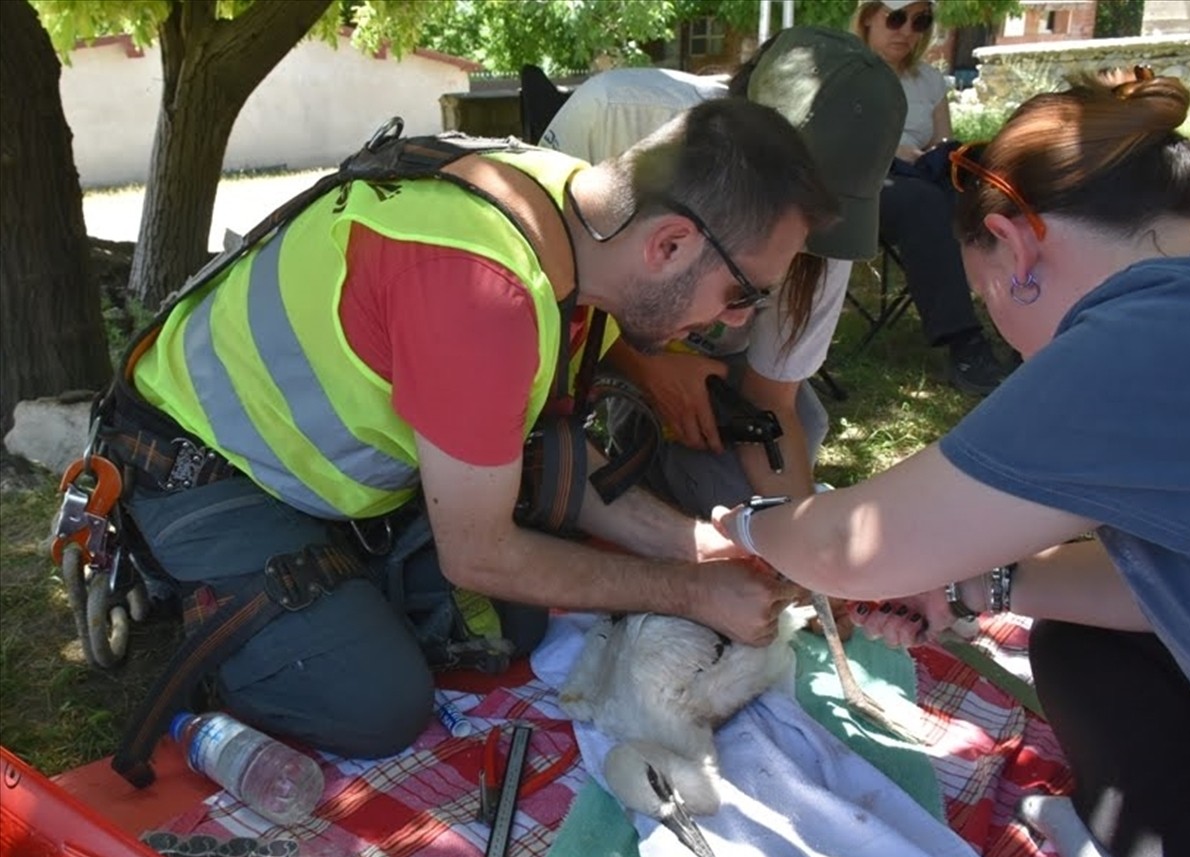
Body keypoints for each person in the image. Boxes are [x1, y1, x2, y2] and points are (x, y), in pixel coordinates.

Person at [99, 98, 838, 762]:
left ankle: (333, 600)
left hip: (331, 481)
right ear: (670, 245)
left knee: (513, 630)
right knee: (379, 707)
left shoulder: (577, 221)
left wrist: (697, 549)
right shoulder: (486, 293)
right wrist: (690, 593)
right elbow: (479, 554)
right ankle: (180, 580)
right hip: (199, 469)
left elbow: (546, 452)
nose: (736, 322)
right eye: (743, 294)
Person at [715, 71, 1190, 857]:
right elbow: (1164, 583)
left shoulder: (1142, 334)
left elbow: (853, 547)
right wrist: (977, 585)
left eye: (984, 299)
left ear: (1012, 245)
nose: (1005, 334)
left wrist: (749, 523)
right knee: (1080, 648)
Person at [541, 27, 905, 525]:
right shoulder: (614, 113)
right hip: (583, 334)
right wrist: (646, 368)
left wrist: (802, 548)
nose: (741, 314)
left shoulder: (827, 229)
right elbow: (539, 284)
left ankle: (659, 483)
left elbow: (773, 399)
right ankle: (633, 481)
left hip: (713, 368)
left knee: (802, 428)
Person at [853, 0, 1009, 394]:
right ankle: (965, 344)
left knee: (995, 200)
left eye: (920, 21)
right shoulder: (846, 72)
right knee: (926, 204)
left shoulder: (928, 79)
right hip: (863, 182)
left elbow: (943, 139)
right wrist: (891, 152)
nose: (907, 30)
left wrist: (941, 155)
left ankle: (1020, 322)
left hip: (921, 177)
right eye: (896, 17)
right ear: (869, 16)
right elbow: (836, 143)